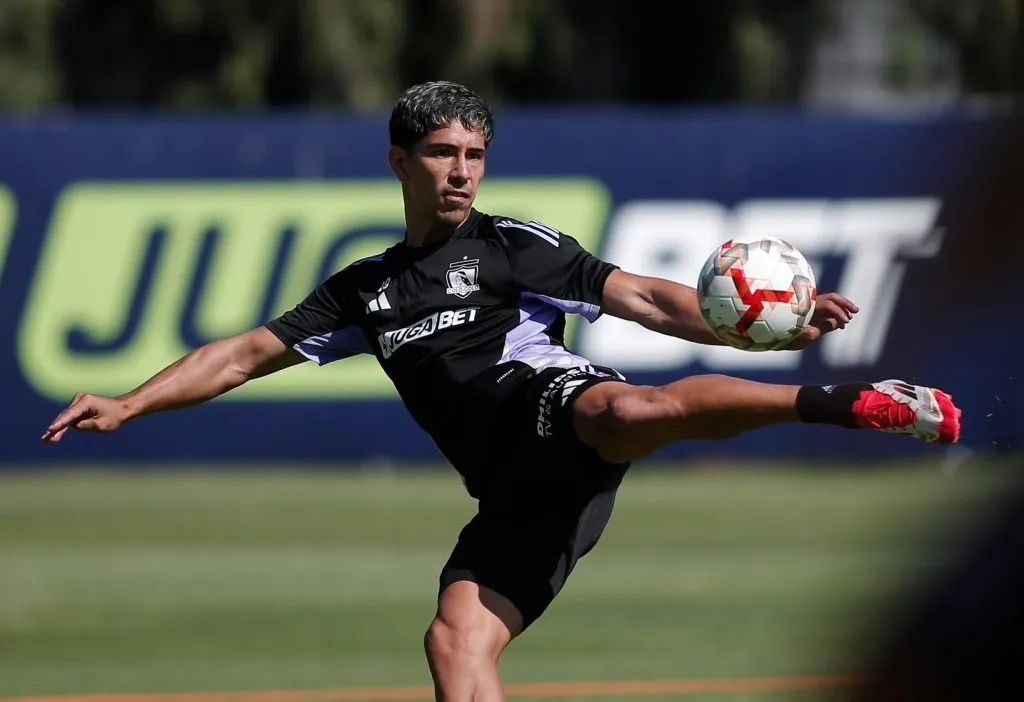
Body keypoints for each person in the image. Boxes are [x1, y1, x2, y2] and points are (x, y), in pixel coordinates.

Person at [41, 81, 962, 702]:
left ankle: (841, 402)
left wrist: (756, 328)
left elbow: (640, 296)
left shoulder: (510, 244)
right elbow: (240, 355)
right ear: (400, 162)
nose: (462, 171)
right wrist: (128, 403)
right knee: (455, 643)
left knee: (624, 408)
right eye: (443, 153)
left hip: (556, 409)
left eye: (475, 154)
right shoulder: (364, 290)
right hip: (519, 495)